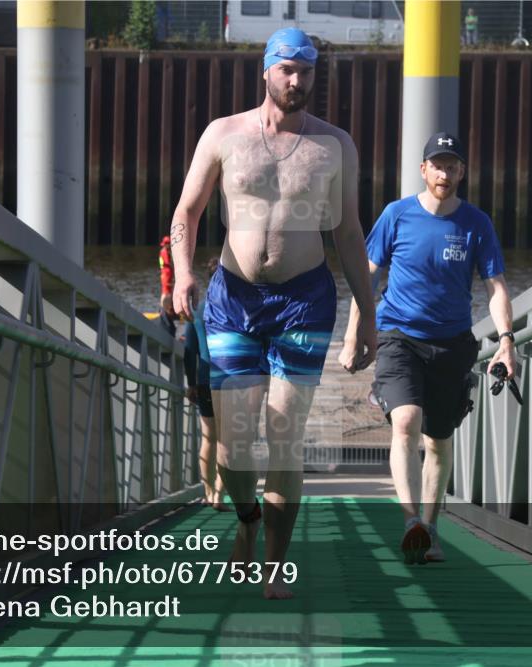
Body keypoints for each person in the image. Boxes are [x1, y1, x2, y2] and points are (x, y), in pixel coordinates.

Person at [169, 27, 377, 599]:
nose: (296, 80)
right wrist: (185, 274)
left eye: (306, 71)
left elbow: (349, 230)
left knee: (284, 435)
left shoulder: (333, 145)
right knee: (235, 445)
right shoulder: (224, 134)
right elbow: (187, 210)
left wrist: (368, 314)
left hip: (304, 301)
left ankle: (274, 567)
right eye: (287, 69)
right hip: (234, 301)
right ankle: (247, 522)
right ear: (265, 70)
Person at [339, 132, 516, 565]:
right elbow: (368, 276)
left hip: (452, 344)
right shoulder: (397, 215)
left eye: (452, 165)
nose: (444, 172)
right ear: (423, 170)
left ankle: (431, 529)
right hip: (399, 335)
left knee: (438, 441)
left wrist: (507, 342)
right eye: (437, 165)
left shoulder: (476, 224)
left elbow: (496, 288)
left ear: (461, 172)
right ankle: (410, 521)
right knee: (406, 422)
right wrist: (353, 334)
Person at [184, 257, 230, 511]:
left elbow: (189, 350)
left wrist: (191, 382)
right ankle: (219, 496)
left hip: (203, 379)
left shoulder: (198, 309)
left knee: (208, 438)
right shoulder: (233, 308)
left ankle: (207, 490)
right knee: (226, 440)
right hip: (228, 380)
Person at [158, 235, 178, 336]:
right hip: (166, 272)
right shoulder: (164, 252)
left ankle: (167, 309)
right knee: (166, 292)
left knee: (168, 291)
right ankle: (163, 311)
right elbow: (168, 263)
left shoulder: (166, 251)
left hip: (167, 273)